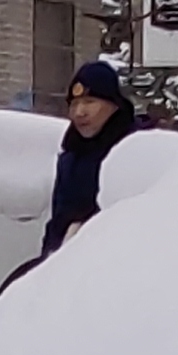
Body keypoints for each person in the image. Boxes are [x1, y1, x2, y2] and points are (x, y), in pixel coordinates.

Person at [41, 53, 136, 255]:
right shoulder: (70, 158)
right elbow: (58, 222)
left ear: (114, 105)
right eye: (74, 104)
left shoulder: (133, 150)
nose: (80, 112)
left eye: (90, 102)